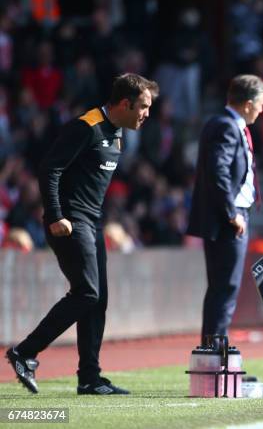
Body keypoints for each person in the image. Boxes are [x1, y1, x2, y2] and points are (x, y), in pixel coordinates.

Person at [5, 73, 159, 394]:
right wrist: (56, 215)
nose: (147, 114)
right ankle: (25, 352)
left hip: (93, 222)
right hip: (71, 222)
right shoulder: (86, 126)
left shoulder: (118, 134)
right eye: (143, 106)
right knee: (87, 294)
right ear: (124, 103)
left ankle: (90, 378)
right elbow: (49, 169)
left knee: (97, 300)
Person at [186, 75, 263, 344]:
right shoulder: (225, 126)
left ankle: (214, 345)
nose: (262, 108)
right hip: (228, 219)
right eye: (260, 102)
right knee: (225, 286)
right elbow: (218, 171)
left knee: (222, 286)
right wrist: (231, 212)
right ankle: (214, 348)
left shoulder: (229, 124)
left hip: (231, 215)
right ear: (248, 103)